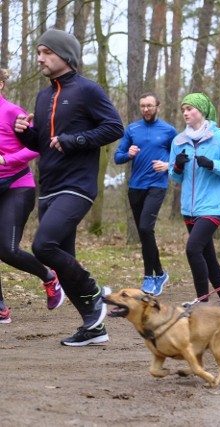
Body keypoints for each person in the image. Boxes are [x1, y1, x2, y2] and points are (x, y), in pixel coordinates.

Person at [14, 29, 124, 346]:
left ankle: (95, 292)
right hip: (48, 186)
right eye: (38, 52)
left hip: (77, 185)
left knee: (43, 245)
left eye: (46, 51)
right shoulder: (43, 95)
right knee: (63, 259)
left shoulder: (88, 90)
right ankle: (94, 327)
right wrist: (24, 133)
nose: (40, 58)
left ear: (65, 55)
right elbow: (41, 144)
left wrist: (74, 140)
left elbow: (113, 127)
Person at [168, 93, 220, 316]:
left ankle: (202, 304)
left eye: (190, 109)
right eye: (183, 109)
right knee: (207, 255)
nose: (186, 113)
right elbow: (174, 176)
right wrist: (178, 167)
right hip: (189, 208)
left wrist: (212, 164)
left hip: (212, 205)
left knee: (193, 249)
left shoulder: (219, 137)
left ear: (202, 111)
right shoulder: (178, 141)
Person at [0, 68, 63, 324]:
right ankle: (1, 309)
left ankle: (49, 277)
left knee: (7, 249)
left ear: (1, 84)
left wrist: (6, 159)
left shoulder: (13, 112)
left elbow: (35, 148)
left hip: (17, 185)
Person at [114, 92, 177, 296]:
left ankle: (149, 276)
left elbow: (181, 159)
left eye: (150, 105)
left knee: (145, 227)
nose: (146, 109)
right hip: (136, 186)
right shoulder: (132, 129)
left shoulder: (169, 131)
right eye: (143, 106)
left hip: (157, 185)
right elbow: (117, 157)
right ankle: (159, 273)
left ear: (157, 106)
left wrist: (167, 165)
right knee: (144, 233)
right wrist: (128, 154)